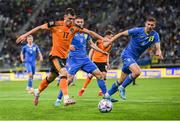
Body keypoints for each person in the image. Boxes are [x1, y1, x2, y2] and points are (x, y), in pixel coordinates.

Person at [16, 8, 107, 106]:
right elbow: (39, 28)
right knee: (64, 73)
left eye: (73, 19)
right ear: (65, 17)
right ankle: (66, 99)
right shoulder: (55, 24)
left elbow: (90, 32)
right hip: (55, 55)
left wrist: (104, 39)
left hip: (64, 57)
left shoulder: (75, 27)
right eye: (69, 18)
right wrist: (25, 35)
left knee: (50, 78)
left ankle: (37, 92)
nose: (71, 21)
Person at [54, 16, 109, 106]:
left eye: (81, 22)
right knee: (69, 80)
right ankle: (58, 99)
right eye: (78, 22)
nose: (79, 23)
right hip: (74, 60)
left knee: (99, 75)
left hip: (85, 59)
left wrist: (102, 51)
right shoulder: (71, 31)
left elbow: (91, 44)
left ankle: (106, 96)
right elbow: (61, 42)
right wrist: (68, 46)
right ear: (75, 22)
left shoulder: (86, 33)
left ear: (83, 23)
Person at [105, 16, 163, 100]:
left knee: (120, 80)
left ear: (154, 26)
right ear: (145, 24)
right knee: (137, 72)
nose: (150, 26)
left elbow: (158, 47)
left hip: (134, 58)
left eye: (152, 25)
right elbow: (121, 34)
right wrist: (110, 42)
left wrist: (159, 51)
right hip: (127, 55)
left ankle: (107, 96)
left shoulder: (155, 35)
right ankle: (122, 88)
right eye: (148, 24)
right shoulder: (137, 31)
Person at [78, 30, 113, 96]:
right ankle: (83, 89)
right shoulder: (99, 41)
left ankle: (101, 91)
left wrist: (107, 62)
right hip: (95, 60)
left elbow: (108, 53)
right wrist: (89, 59)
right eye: (111, 36)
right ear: (107, 36)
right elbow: (92, 49)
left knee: (104, 76)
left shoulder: (110, 44)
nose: (112, 37)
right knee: (90, 75)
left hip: (103, 62)